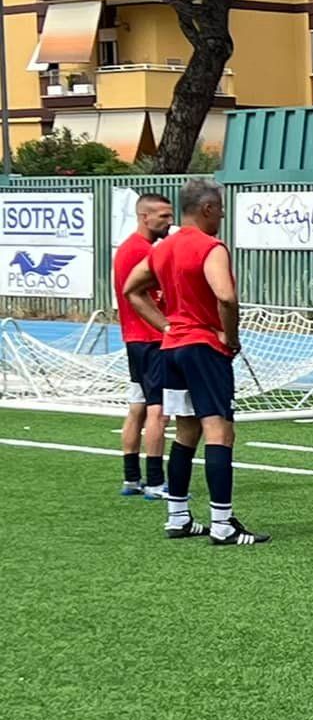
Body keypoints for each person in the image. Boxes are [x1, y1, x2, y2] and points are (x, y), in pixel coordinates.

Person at [118, 180, 268, 544]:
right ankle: (222, 524)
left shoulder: (162, 249)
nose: (222, 215)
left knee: (186, 431)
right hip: (203, 348)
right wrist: (230, 338)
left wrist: (167, 325)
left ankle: (178, 517)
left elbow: (131, 290)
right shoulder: (210, 247)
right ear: (206, 209)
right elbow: (226, 297)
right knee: (220, 432)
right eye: (219, 209)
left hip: (171, 349)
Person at [113, 191, 174, 499]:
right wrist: (167, 325)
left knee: (137, 407)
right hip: (151, 340)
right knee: (158, 411)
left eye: (170, 215)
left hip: (135, 340)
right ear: (144, 216)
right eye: (163, 216)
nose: (169, 221)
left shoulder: (132, 248)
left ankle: (131, 479)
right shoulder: (141, 251)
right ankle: (154, 482)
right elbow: (141, 295)